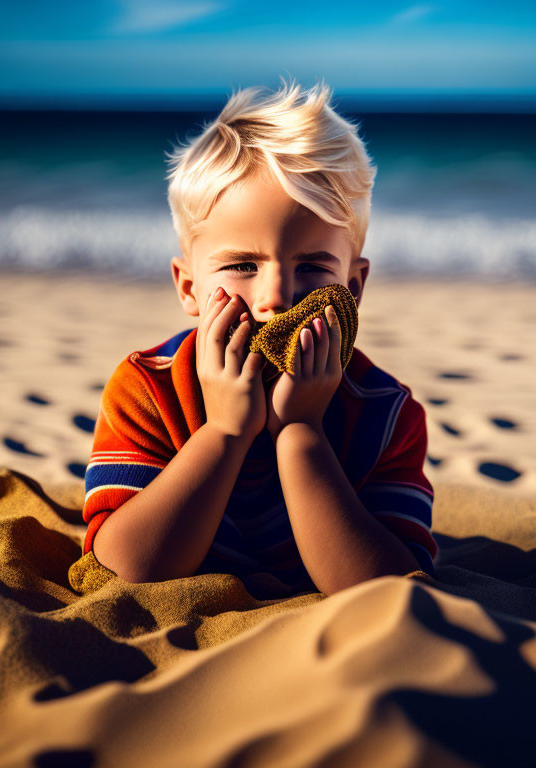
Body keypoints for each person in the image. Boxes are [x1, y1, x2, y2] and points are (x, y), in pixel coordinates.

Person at [81, 78, 437, 599]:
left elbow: (393, 589)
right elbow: (125, 567)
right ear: (189, 287)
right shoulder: (148, 389)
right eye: (242, 264)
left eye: (313, 266)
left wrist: (301, 431)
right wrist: (225, 431)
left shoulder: (385, 415)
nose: (277, 297)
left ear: (352, 288)